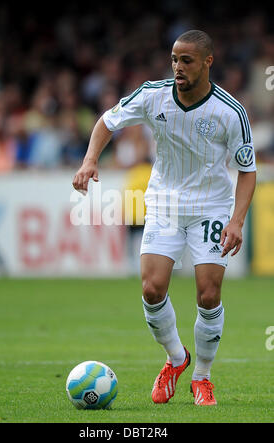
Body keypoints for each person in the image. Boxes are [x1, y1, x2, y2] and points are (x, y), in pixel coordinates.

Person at [72, 30, 256, 406]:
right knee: (152, 289)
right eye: (174, 59)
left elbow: (247, 169)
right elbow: (108, 120)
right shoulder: (153, 94)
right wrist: (91, 159)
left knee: (208, 294)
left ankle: (202, 377)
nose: (177, 67)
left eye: (186, 60)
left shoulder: (229, 111)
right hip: (165, 205)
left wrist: (236, 221)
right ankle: (176, 358)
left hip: (211, 207)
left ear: (208, 62)